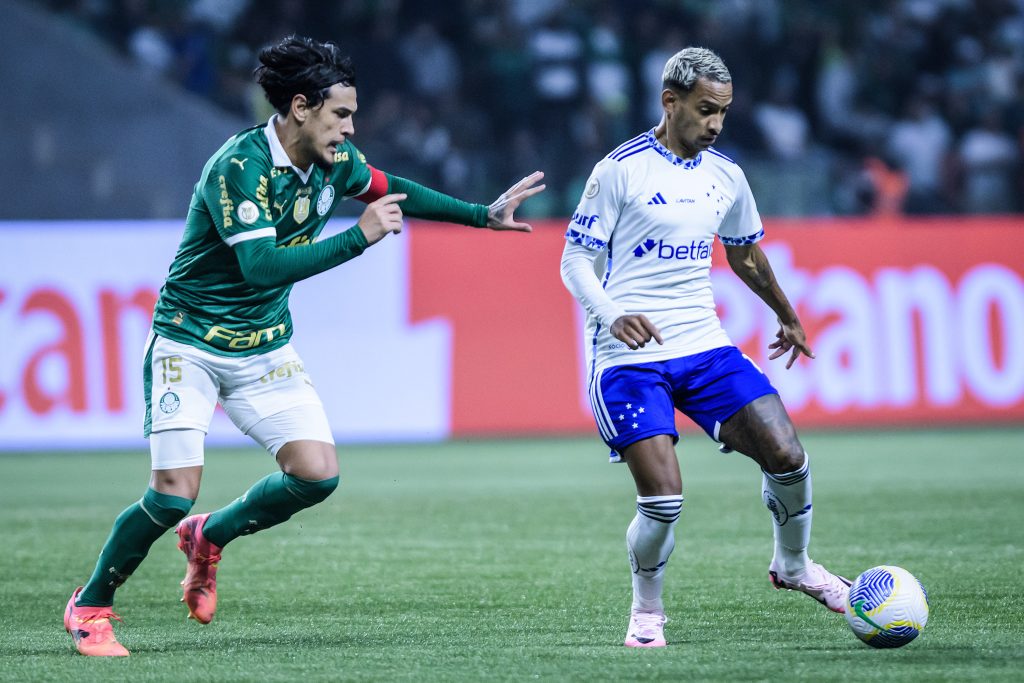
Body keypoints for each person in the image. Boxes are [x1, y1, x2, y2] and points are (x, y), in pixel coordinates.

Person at [64, 35, 545, 657]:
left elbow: (392, 186)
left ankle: (208, 536)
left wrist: (481, 215)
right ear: (300, 107)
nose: (350, 127)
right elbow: (261, 267)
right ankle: (92, 602)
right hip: (190, 341)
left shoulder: (334, 160)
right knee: (169, 492)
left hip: (263, 346)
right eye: (340, 114)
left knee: (316, 475)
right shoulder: (240, 166)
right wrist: (359, 238)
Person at [559, 47, 849, 649]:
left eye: (724, 112)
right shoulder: (619, 170)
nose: (715, 124)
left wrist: (788, 316)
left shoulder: (726, 175)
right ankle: (646, 613)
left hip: (703, 345)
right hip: (629, 359)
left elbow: (743, 253)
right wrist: (613, 316)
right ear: (670, 101)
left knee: (787, 454)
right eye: (705, 110)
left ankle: (793, 566)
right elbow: (574, 261)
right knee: (664, 500)